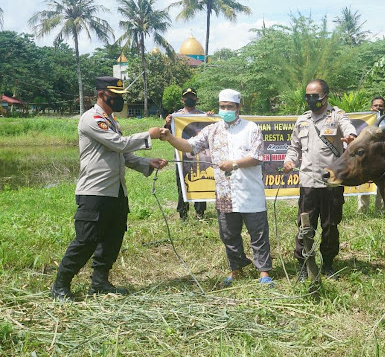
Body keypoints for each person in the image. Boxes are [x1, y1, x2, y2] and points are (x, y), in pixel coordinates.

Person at [50, 77, 167, 301]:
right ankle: (60, 285)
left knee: (113, 238)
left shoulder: (112, 122)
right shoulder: (92, 119)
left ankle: (100, 282)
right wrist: (148, 135)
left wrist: (147, 162)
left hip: (116, 191)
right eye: (117, 96)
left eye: (122, 96)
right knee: (86, 240)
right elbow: (119, 144)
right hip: (95, 191)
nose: (120, 100)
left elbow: (123, 154)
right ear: (103, 94)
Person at [159, 89, 273, 285]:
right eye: (222, 107)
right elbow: (189, 146)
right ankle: (236, 269)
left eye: (230, 107)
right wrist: (169, 137)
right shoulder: (212, 130)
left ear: (239, 107)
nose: (226, 110)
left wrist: (234, 164)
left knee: (258, 234)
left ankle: (264, 272)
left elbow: (256, 156)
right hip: (225, 193)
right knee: (229, 234)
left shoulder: (251, 128)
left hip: (250, 191)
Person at [283, 79, 357, 280]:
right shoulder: (302, 120)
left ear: (325, 96)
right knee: (305, 225)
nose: (310, 99)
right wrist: (289, 160)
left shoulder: (336, 116)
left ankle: (328, 264)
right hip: (308, 182)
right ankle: (303, 264)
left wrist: (351, 137)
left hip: (331, 182)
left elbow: (348, 128)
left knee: (330, 225)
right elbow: (294, 147)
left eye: (315, 96)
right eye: (307, 96)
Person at [164, 87, 207, 221]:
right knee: (182, 183)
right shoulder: (175, 116)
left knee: (200, 181)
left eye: (192, 97)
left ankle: (200, 212)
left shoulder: (203, 115)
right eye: (187, 97)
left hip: (199, 154)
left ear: (196, 99)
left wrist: (211, 117)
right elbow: (166, 134)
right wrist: (167, 123)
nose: (190, 99)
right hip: (181, 155)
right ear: (182, 99)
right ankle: (183, 213)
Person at [357, 96, 385, 214]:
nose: (378, 108)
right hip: (366, 160)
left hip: (381, 160)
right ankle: (362, 211)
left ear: (384, 108)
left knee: (381, 186)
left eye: (380, 106)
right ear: (371, 107)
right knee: (364, 185)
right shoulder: (364, 124)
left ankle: (381, 211)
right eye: (375, 105)